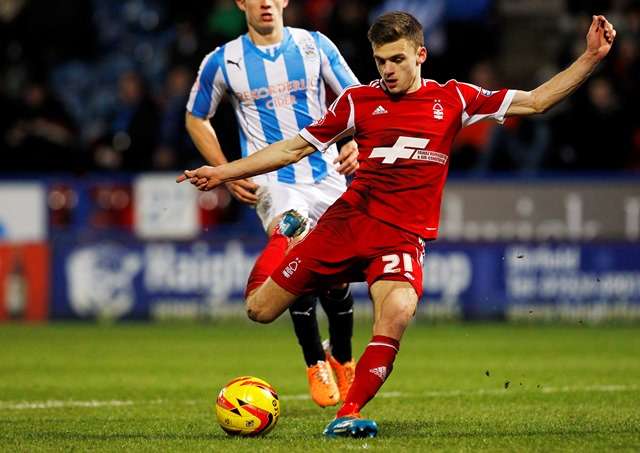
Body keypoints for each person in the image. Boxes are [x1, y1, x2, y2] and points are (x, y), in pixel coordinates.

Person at [179, 11, 616, 438]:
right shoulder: (357, 101)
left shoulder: (455, 99)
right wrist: (224, 172)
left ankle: (347, 413)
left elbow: (537, 101)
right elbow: (293, 148)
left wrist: (591, 58)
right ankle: (288, 236)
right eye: (380, 61)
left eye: (397, 60)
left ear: (421, 54)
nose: (387, 70)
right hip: (344, 226)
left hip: (400, 239)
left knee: (398, 311)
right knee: (259, 310)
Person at [185, 0, 361, 408]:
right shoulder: (223, 60)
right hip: (275, 183)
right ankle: (314, 360)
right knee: (294, 249)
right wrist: (226, 170)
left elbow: (356, 98)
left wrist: (353, 140)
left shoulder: (314, 46)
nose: (265, 2)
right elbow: (196, 117)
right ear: (241, 3)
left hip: (328, 172)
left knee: (335, 276)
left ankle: (343, 356)